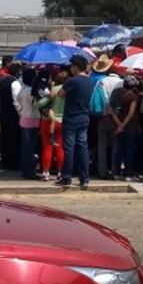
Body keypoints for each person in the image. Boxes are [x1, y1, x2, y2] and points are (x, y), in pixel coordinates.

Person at [58, 55, 94, 188]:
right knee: (83, 147)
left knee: (69, 148)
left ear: (76, 67)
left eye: (71, 66)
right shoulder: (90, 81)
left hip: (71, 117)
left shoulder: (72, 81)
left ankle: (66, 176)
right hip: (84, 117)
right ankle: (84, 177)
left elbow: (60, 94)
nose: (70, 68)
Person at [92, 58, 123, 179]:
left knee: (102, 146)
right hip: (117, 118)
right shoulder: (121, 82)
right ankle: (115, 171)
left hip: (103, 116)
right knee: (116, 145)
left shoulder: (101, 82)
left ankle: (102, 171)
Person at [110, 75, 141, 180]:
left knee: (119, 148)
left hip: (117, 122)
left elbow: (111, 109)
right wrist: (123, 125)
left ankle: (116, 172)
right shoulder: (133, 96)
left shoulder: (116, 92)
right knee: (130, 149)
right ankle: (128, 173)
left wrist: (118, 124)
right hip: (130, 125)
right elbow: (131, 113)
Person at [16, 68, 42, 179]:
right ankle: (29, 171)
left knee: (25, 147)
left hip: (23, 119)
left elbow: (18, 101)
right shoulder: (33, 91)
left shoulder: (22, 90)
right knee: (31, 147)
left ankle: (25, 170)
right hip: (33, 120)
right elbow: (38, 105)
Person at [0, 63, 22, 171]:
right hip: (12, 114)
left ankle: (4, 160)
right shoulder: (15, 83)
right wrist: (20, 114)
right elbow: (16, 101)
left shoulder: (1, 82)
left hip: (3, 112)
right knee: (13, 138)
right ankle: (12, 162)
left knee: (4, 136)